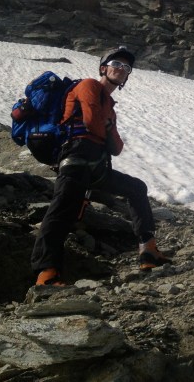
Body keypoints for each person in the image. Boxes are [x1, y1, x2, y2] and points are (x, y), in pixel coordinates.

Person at [31, 46, 171, 286]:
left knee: (137, 188)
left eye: (126, 68)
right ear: (103, 68)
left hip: (96, 165)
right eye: (116, 64)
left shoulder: (109, 105)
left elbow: (117, 147)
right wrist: (105, 128)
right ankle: (46, 273)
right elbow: (92, 122)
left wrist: (105, 128)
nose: (122, 69)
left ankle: (149, 250)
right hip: (76, 160)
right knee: (61, 212)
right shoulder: (88, 86)